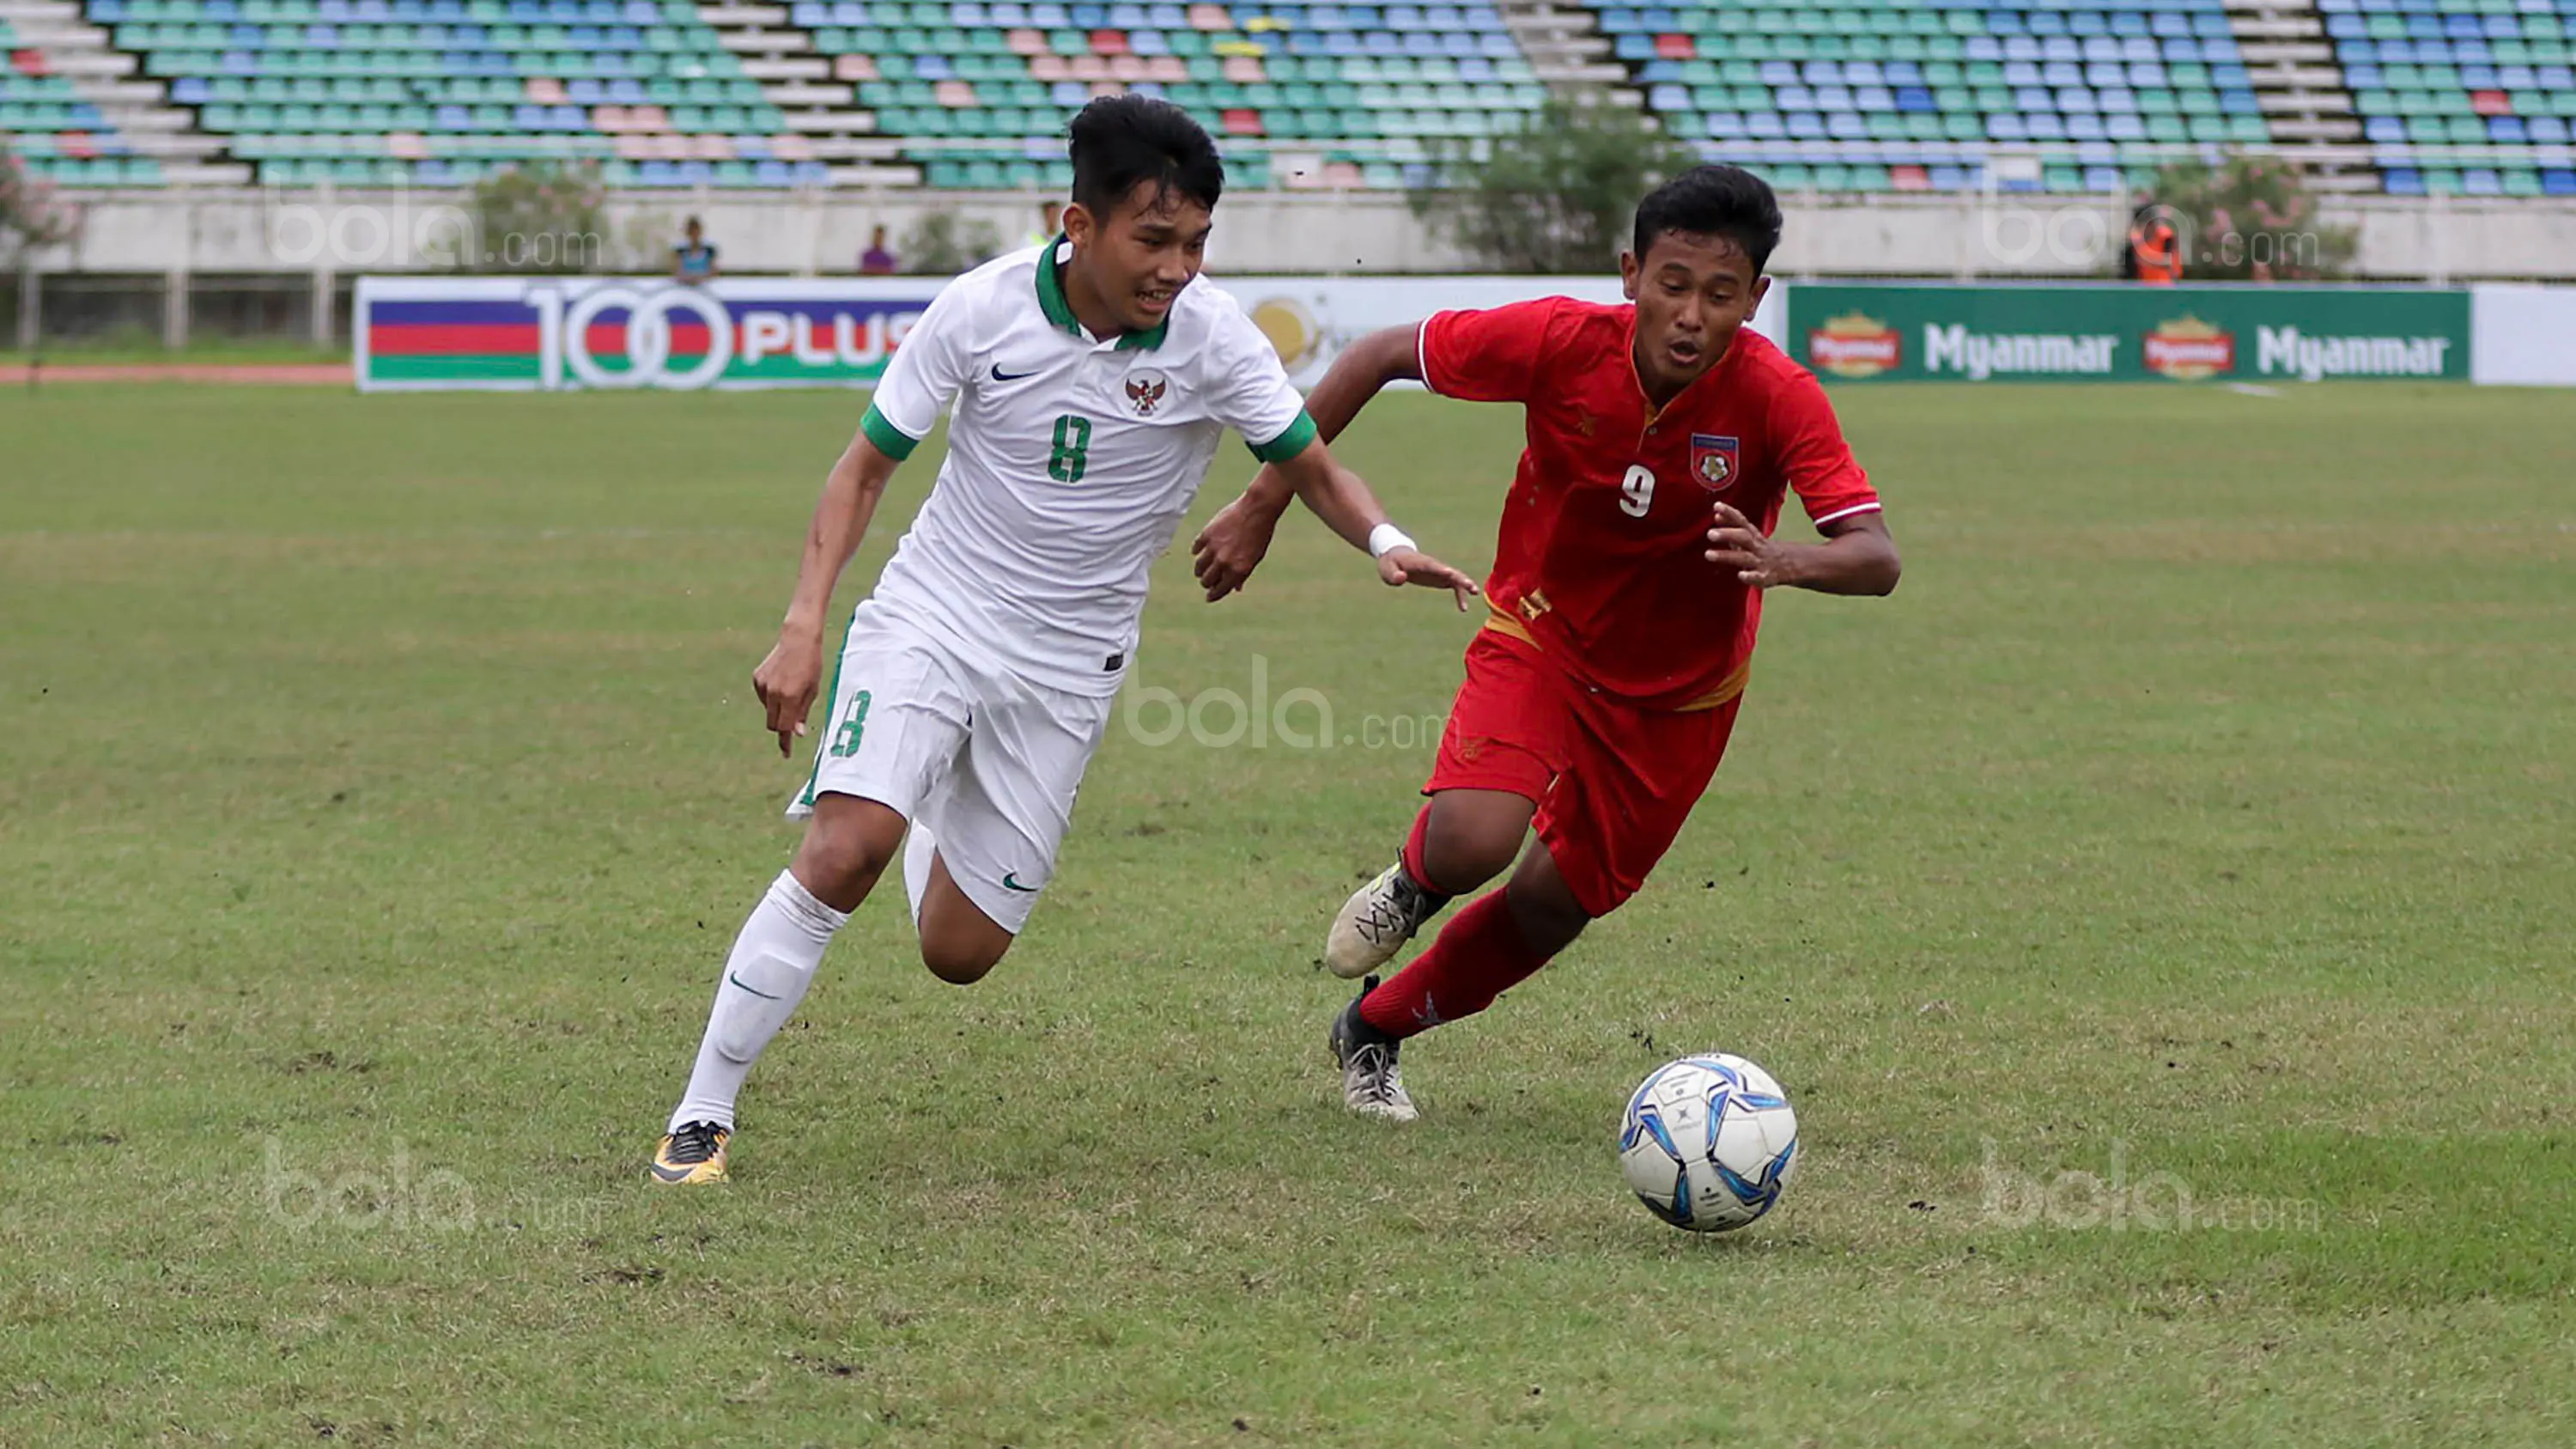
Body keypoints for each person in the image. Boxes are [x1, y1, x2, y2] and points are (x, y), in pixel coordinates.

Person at [651, 96, 1478, 1184]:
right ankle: (703, 1114)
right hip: (935, 614)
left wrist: (1383, 538)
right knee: (849, 848)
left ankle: (928, 789)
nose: (1179, 266)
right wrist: (803, 623)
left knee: (959, 954)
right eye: (1155, 238)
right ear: (1076, 223)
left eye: (1197, 242)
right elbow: (865, 469)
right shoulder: (979, 309)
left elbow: (1312, 462)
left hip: (1069, 667)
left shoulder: (1215, 335)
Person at [1249, 164, 1902, 1123]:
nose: (1690, 314)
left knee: (1555, 906)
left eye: (1721, 295)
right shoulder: (1561, 339)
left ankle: (1375, 1030)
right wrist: (1266, 500)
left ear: (1756, 299)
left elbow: (1876, 555)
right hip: (1541, 632)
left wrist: (1785, 558)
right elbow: (1382, 354)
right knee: (1477, 836)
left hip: (1679, 701)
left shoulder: (1776, 394)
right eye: (1673, 284)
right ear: (1630, 273)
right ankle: (1415, 881)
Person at [671, 216, 719, 283]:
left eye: (696, 230)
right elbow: (678, 270)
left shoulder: (709, 250)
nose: (694, 234)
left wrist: (701, 278)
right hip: (685, 285)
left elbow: (713, 271)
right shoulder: (680, 250)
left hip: (705, 284)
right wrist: (688, 278)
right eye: (692, 231)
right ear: (688, 233)